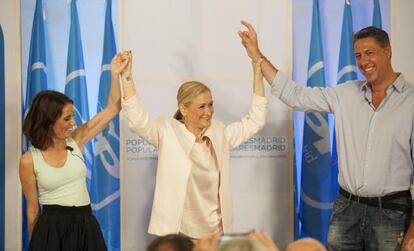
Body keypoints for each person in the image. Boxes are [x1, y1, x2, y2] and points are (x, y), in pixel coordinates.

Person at [238, 20, 414, 250]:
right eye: (358, 55)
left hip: (392, 214)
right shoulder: (346, 94)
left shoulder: (410, 101)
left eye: (369, 53)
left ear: (388, 51)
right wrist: (257, 55)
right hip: (346, 209)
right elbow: (294, 95)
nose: (363, 62)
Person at [119, 51, 267, 239]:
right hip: (179, 236)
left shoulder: (219, 133)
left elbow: (255, 121)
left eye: (211, 104)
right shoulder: (168, 131)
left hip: (216, 235)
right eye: (202, 106)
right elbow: (137, 119)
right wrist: (126, 76)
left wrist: (257, 73)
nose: (209, 112)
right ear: (183, 109)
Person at [19, 52, 128, 250]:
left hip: (86, 226)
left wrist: (116, 74)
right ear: (49, 121)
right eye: (67, 118)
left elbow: (114, 108)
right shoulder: (29, 160)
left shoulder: (77, 140)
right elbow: (33, 209)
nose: (73, 123)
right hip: (50, 230)